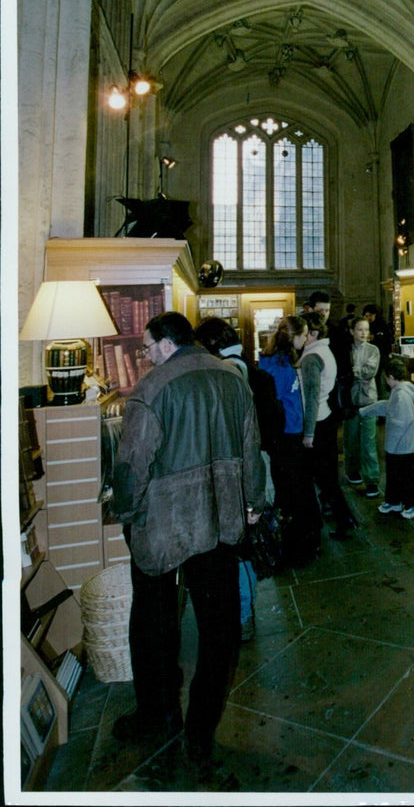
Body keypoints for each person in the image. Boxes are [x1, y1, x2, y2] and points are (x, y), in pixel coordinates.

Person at [111, 311, 265, 766]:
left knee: (154, 625)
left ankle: (158, 715)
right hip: (218, 522)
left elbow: (132, 466)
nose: (145, 355)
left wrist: (127, 512)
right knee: (219, 631)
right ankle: (202, 728)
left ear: (164, 344)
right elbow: (251, 448)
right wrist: (252, 503)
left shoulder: (152, 390)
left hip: (163, 526)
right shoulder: (232, 377)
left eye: (146, 347)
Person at [194, 317, 279, 642]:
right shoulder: (249, 367)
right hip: (258, 462)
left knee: (238, 545)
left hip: (241, 468)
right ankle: (246, 610)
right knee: (244, 540)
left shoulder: (226, 373)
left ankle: (242, 615)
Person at [258, 314, 321, 566]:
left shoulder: (281, 362)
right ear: (292, 337)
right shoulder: (277, 367)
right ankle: (296, 548)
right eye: (303, 335)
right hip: (286, 437)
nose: (306, 339)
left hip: (289, 434)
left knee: (296, 491)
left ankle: (299, 543)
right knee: (294, 492)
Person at [299, 311, 357, 539]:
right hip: (326, 417)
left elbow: (312, 396)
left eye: (304, 333)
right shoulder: (323, 350)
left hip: (318, 421)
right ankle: (346, 519)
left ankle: (345, 520)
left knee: (325, 478)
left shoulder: (312, 357)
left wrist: (309, 432)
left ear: (312, 333)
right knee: (328, 477)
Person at [359, 356, 414, 520]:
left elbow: (400, 420)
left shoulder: (401, 395)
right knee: (396, 474)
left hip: (402, 445)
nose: (386, 382)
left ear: (391, 378)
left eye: (386, 378)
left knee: (405, 475)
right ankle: (394, 500)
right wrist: (366, 411)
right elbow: (386, 407)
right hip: (400, 445)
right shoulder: (399, 392)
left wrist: (391, 435)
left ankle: (413, 504)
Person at [342, 316, 382, 497]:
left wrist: (352, 373)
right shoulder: (345, 351)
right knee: (350, 440)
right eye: (360, 329)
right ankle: (352, 471)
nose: (364, 333)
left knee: (369, 442)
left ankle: (372, 480)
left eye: (366, 329)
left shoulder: (373, 350)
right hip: (350, 402)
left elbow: (369, 372)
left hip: (368, 401)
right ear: (351, 332)